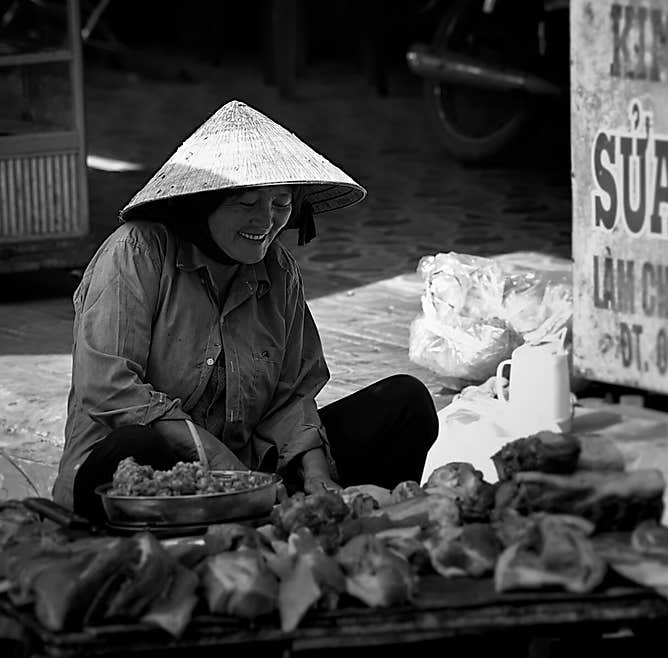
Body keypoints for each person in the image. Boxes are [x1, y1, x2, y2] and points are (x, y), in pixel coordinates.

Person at [52, 100, 439, 522]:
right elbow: (106, 386)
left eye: (280, 203)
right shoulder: (137, 251)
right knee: (143, 444)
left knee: (405, 402)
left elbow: (292, 396)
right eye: (246, 203)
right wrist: (209, 455)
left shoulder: (279, 271)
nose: (266, 220)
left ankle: (364, 536)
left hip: (247, 482)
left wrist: (316, 474)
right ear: (203, 205)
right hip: (131, 481)